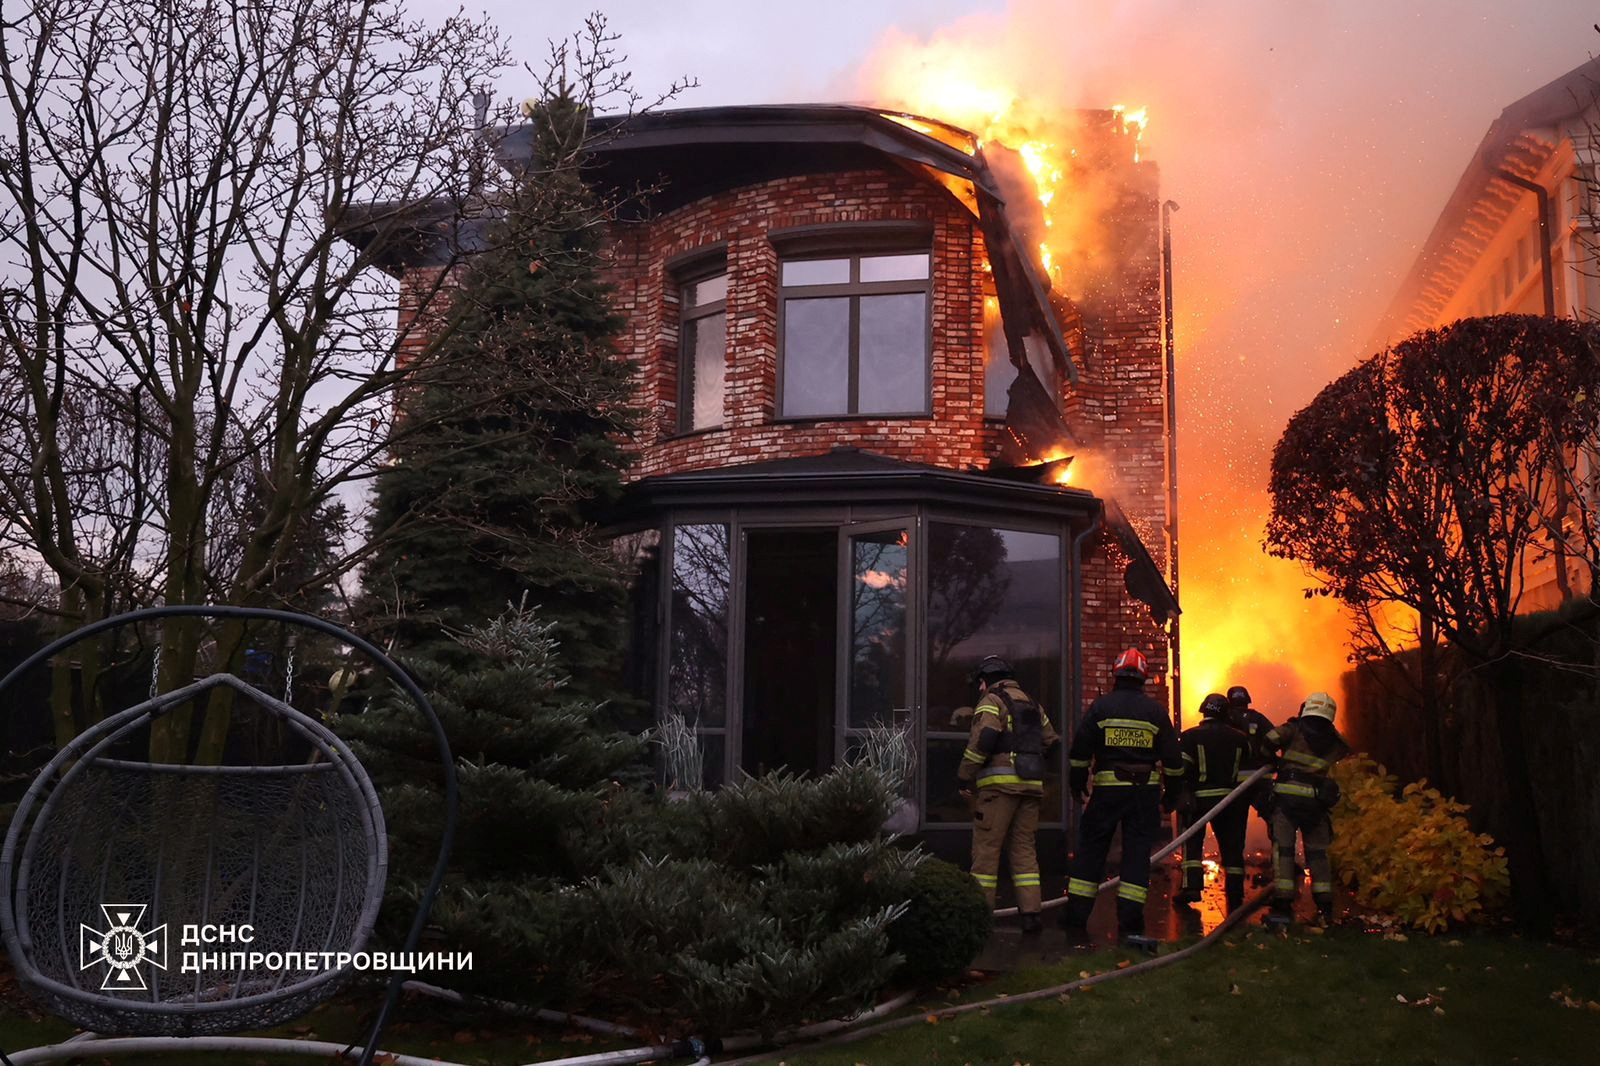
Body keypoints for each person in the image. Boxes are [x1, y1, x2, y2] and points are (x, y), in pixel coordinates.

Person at [1061, 648, 1185, 946]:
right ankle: (1130, 921)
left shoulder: (1101, 708)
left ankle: (1076, 916)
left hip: (1107, 793)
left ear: (1116, 674)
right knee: (1137, 855)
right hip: (1144, 795)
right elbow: (1173, 761)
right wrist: (1171, 799)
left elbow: (1079, 753)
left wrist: (1076, 784)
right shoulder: (1156, 713)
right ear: (1143, 677)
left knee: (1091, 851)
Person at [956, 654, 1059, 933]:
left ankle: (978, 919)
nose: (979, 688)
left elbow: (984, 739)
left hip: (998, 791)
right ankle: (1032, 915)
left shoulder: (992, 700)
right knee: (1024, 850)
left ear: (987, 679)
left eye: (981, 682)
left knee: (986, 852)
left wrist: (965, 774)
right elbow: (1052, 741)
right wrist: (1032, 763)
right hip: (1030, 788)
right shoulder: (1033, 703)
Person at [1260, 691, 1351, 924]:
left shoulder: (1294, 729)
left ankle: (1283, 901)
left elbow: (1269, 738)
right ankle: (1324, 904)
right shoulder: (1334, 740)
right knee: (1318, 853)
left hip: (1287, 802)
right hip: (1316, 804)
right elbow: (1344, 749)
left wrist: (1274, 761)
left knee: (1285, 850)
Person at [1177, 693, 1252, 913]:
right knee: (1232, 849)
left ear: (1204, 711)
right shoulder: (1240, 739)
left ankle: (1191, 888)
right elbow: (1248, 772)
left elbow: (1181, 771)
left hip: (1198, 801)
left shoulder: (1189, 737)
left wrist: (1182, 794)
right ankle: (1235, 894)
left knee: (1192, 846)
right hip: (1230, 802)